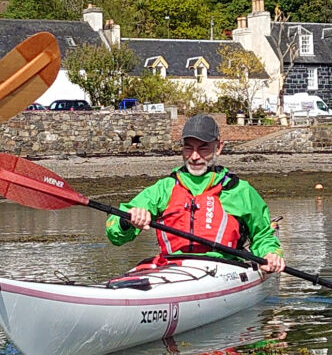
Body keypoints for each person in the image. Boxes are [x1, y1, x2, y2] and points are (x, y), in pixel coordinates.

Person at [105, 114, 285, 274]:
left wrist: (270, 255)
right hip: (170, 269)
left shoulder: (240, 190)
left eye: (204, 148)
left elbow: (263, 236)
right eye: (189, 148)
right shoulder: (164, 188)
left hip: (224, 269)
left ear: (219, 147)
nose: (194, 156)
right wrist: (126, 220)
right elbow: (114, 232)